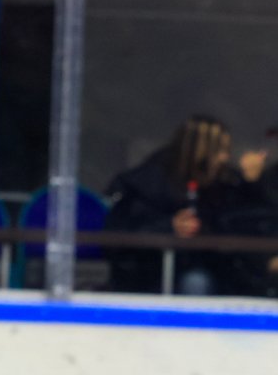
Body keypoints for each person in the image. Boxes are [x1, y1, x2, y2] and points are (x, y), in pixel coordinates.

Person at [103, 115, 261, 295]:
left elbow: (242, 230)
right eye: (219, 150)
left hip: (212, 275)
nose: (225, 158)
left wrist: (251, 185)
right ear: (199, 151)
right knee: (196, 283)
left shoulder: (226, 184)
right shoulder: (147, 183)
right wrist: (169, 227)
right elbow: (117, 239)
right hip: (149, 278)